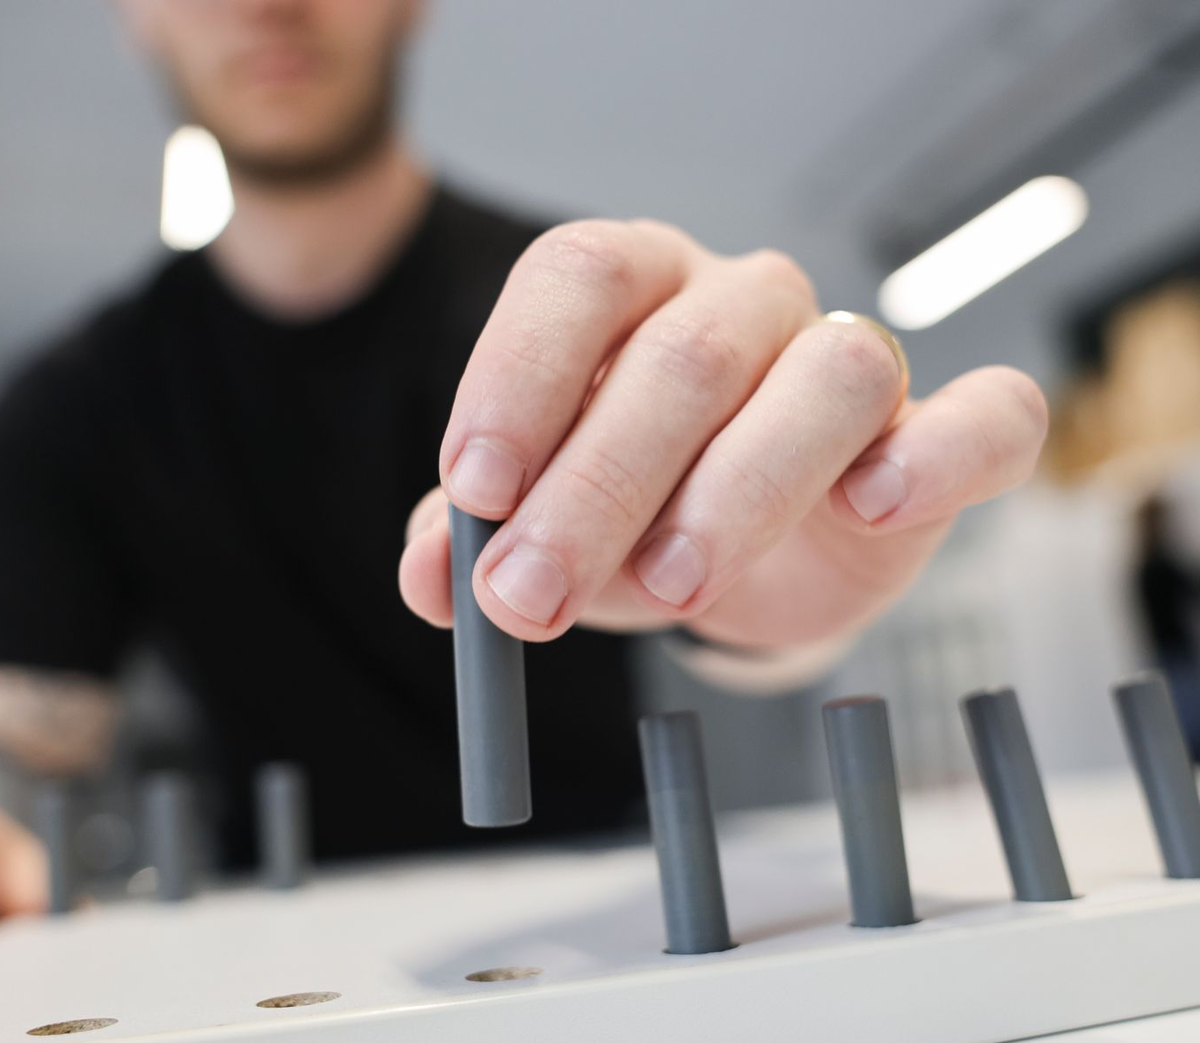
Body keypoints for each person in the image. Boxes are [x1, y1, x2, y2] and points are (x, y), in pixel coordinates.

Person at [0, 0, 1047, 916]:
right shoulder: (70, 408)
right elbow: (30, 755)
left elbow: (743, 605)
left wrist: (784, 574)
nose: (267, 3)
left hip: (621, 926)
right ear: (129, 8)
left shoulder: (607, 325)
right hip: (275, 964)